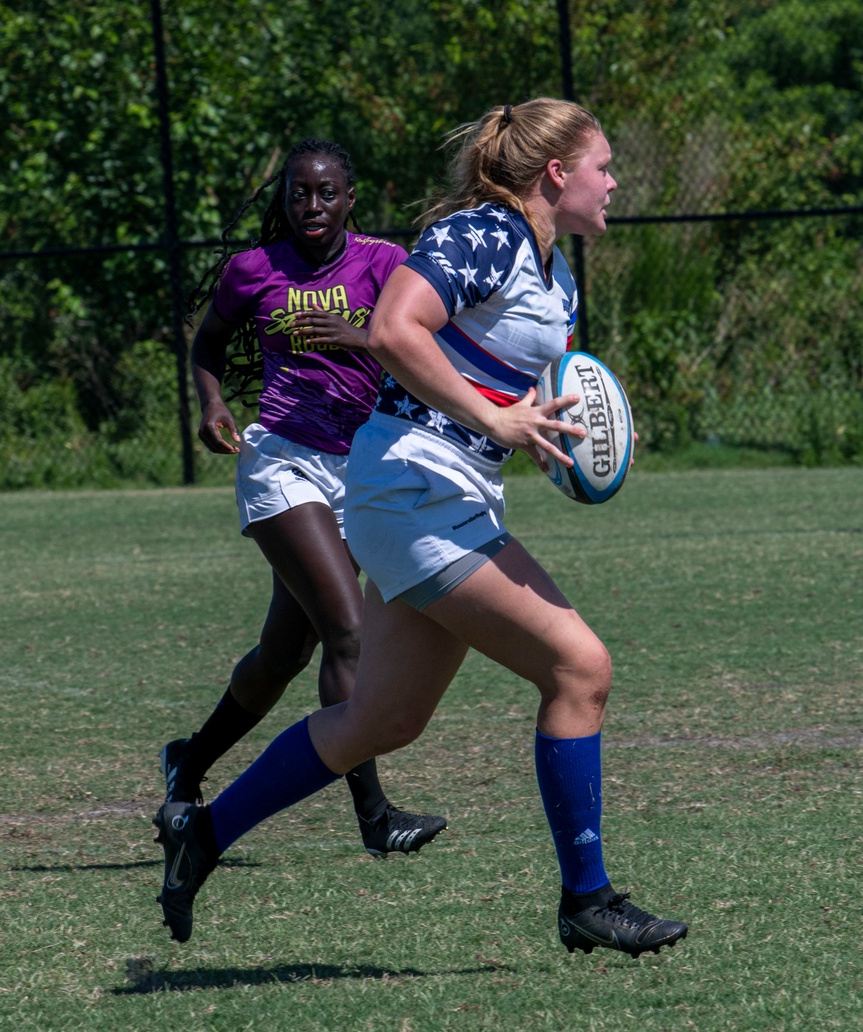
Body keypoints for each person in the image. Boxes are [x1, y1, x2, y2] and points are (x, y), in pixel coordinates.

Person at [153, 99, 689, 957]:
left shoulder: (558, 278)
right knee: (579, 666)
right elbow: (397, 329)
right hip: (411, 485)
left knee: (382, 719)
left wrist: (547, 432)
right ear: (557, 173)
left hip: (450, 489)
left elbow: (514, 390)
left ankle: (204, 833)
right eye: (604, 165)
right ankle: (587, 899)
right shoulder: (481, 233)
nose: (615, 181)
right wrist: (499, 419)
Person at [159, 137, 447, 876]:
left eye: (326, 194)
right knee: (349, 632)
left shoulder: (386, 264)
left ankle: (186, 766)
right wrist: (213, 400)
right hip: (281, 462)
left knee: (285, 655)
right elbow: (207, 343)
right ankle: (375, 816)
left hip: (363, 470)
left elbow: (427, 346)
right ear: (283, 199)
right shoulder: (252, 271)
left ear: (351, 199)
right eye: (298, 193)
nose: (311, 206)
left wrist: (363, 337)